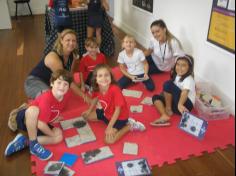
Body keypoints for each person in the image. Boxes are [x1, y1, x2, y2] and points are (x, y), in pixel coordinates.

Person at [5, 69, 73, 160]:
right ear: (52, 83)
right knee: (33, 110)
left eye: (65, 84)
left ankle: (25, 142)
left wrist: (54, 118)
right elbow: (40, 123)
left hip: (40, 122)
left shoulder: (67, 96)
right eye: (59, 82)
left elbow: (55, 109)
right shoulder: (47, 98)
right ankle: (33, 144)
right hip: (26, 119)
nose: (62, 86)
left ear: (69, 87)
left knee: (59, 137)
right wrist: (51, 133)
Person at [82, 64, 146, 144]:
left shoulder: (115, 89)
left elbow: (118, 110)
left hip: (119, 118)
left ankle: (130, 126)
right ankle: (109, 122)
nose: (104, 78)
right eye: (100, 76)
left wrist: (109, 127)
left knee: (109, 141)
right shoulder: (97, 88)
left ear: (111, 77)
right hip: (106, 114)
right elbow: (96, 98)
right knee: (86, 116)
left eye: (106, 75)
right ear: (96, 79)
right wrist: (89, 110)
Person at [24, 29, 87, 101]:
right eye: (68, 40)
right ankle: (23, 110)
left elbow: (70, 74)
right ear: (61, 41)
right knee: (49, 100)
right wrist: (85, 97)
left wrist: (78, 87)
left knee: (62, 97)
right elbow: (66, 79)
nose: (71, 43)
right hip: (34, 82)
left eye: (73, 41)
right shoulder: (54, 58)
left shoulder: (71, 55)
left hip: (50, 84)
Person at [150, 55, 196, 127]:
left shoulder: (189, 79)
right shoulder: (177, 75)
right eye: (178, 64)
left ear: (189, 68)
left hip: (184, 106)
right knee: (155, 97)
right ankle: (164, 115)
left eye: (183, 65)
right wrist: (163, 95)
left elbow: (185, 92)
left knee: (168, 84)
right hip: (176, 105)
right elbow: (170, 90)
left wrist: (180, 104)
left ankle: (168, 109)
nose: (180, 68)